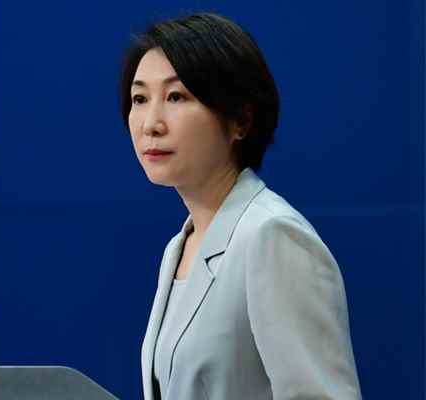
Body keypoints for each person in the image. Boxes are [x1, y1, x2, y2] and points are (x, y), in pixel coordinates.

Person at [119, 12, 362, 400]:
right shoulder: (179, 247)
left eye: (176, 97)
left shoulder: (273, 235)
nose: (151, 124)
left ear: (241, 120)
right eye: (140, 99)